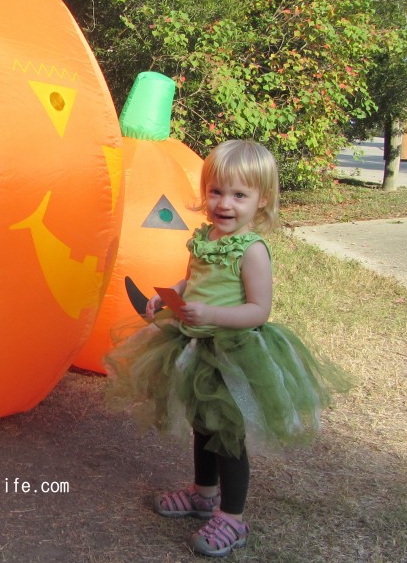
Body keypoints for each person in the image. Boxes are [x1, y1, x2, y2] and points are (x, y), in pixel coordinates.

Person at [104, 139, 351, 558]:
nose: (225, 203)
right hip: (195, 346)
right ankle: (204, 495)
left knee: (228, 434)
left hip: (232, 353)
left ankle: (233, 518)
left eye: (239, 195)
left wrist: (212, 315)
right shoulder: (205, 237)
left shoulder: (252, 250)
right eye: (217, 191)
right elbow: (193, 277)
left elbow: (258, 311)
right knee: (203, 424)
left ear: (262, 200)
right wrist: (171, 295)